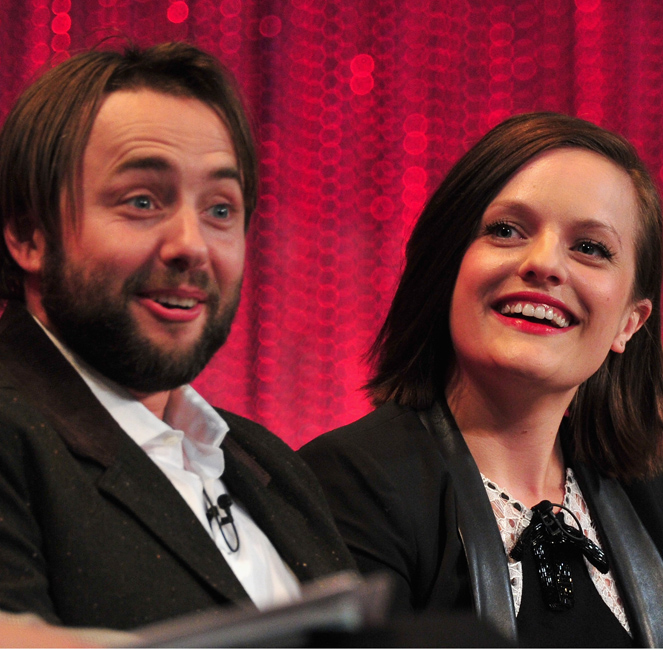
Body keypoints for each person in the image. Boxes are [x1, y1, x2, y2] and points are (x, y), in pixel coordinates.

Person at [0, 42, 355, 631]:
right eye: (142, 201)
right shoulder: (14, 439)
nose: (191, 244)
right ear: (29, 236)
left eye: (220, 209)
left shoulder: (269, 462)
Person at [300, 112, 663, 647]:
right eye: (506, 230)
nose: (543, 263)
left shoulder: (648, 495)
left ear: (629, 323)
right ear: (449, 268)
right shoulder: (346, 485)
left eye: (589, 247)